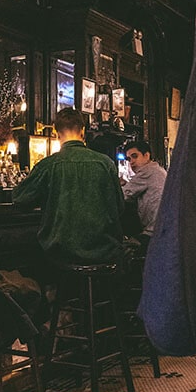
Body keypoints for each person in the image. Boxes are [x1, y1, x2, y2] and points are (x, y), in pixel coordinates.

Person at [12, 107, 124, 270]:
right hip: (105, 250)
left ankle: (57, 294)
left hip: (61, 252)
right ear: (83, 131)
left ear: (57, 134)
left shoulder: (48, 165)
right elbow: (120, 207)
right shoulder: (105, 163)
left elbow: (20, 198)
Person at [120, 139, 167, 248]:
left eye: (135, 156)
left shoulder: (147, 171)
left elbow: (122, 196)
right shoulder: (158, 170)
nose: (131, 162)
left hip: (154, 232)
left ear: (146, 155)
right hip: (165, 229)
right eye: (128, 158)